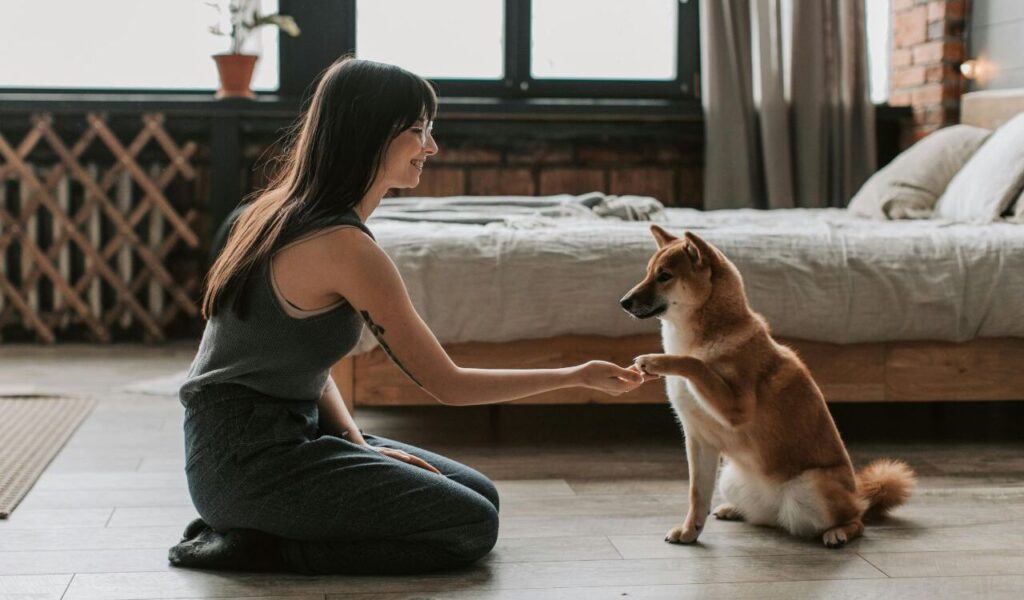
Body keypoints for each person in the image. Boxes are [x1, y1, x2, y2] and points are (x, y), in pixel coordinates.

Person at [168, 57, 648, 576]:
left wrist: (356, 445)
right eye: (418, 130)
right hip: (248, 464)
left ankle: (267, 526)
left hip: (269, 439)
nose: (432, 147)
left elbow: (303, 362)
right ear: (370, 134)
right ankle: (258, 547)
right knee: (470, 525)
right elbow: (448, 384)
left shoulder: (282, 210)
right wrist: (574, 375)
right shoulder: (343, 246)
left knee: (478, 493)